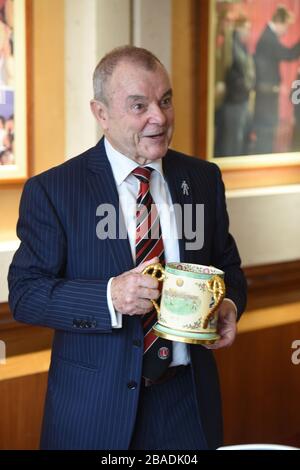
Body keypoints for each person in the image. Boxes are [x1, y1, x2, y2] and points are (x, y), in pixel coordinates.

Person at [8, 46, 247, 450]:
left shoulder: (203, 178)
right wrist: (110, 296)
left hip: (186, 404)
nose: (160, 117)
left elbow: (228, 267)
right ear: (101, 114)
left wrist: (229, 306)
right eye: (139, 105)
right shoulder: (54, 190)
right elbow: (25, 294)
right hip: (93, 410)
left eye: (166, 100)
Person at [253, 5, 300, 154]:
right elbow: (289, 54)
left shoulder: (269, 36)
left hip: (266, 94)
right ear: (280, 21)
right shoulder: (269, 38)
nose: (286, 31)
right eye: (286, 26)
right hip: (267, 95)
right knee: (266, 131)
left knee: (267, 131)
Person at [217, 15, 255, 157]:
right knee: (233, 140)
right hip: (234, 100)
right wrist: (241, 86)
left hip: (242, 99)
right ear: (238, 28)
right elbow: (227, 70)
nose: (248, 32)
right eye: (246, 28)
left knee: (239, 138)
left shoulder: (241, 46)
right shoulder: (230, 46)